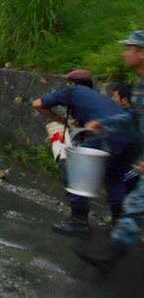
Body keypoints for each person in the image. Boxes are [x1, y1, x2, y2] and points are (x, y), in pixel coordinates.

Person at [33, 69, 140, 236]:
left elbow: (38, 104)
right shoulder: (99, 99)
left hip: (106, 133)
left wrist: (63, 121)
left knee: (72, 168)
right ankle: (118, 223)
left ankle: (78, 221)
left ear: (71, 83)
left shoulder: (73, 91)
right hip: (130, 137)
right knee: (114, 177)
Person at [76, 31, 144, 270]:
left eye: (130, 48)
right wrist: (104, 124)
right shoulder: (138, 86)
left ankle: (109, 258)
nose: (125, 53)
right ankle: (109, 258)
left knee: (135, 205)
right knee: (135, 205)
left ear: (142, 53)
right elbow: (133, 118)